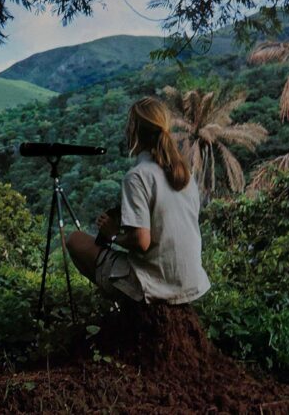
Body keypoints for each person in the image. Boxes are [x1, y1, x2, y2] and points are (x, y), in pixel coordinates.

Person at [66, 96, 210, 305]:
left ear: (133, 131)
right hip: (190, 282)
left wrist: (113, 235)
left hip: (156, 284)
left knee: (75, 240)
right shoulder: (183, 173)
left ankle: (126, 303)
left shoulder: (137, 176)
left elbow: (142, 242)